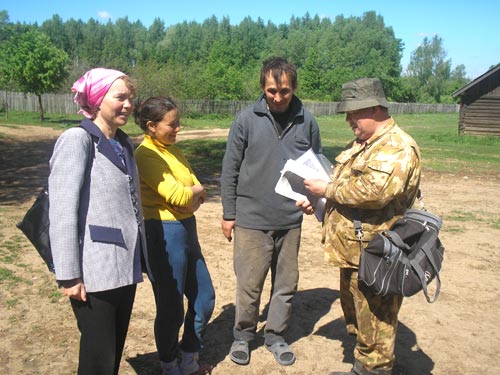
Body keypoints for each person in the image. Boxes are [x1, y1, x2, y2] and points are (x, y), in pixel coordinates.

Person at [302, 77, 421, 375]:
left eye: (353, 112)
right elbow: (344, 186)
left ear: (374, 108)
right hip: (356, 252)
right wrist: (319, 201)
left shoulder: (397, 147)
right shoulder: (364, 144)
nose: (348, 119)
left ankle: (373, 370)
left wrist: (326, 191)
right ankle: (362, 368)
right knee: (360, 319)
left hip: (379, 254)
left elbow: (375, 191)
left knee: (377, 323)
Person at [48, 68, 153, 375]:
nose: (128, 104)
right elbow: (62, 211)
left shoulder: (123, 143)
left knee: (112, 353)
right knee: (98, 359)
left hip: (124, 265)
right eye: (120, 97)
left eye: (130, 98)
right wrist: (69, 274)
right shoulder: (77, 140)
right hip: (94, 271)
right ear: (96, 99)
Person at [220, 57, 322, 366]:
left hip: (290, 221)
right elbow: (230, 168)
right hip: (251, 219)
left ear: (295, 88)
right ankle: (243, 336)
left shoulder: (308, 121)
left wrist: (313, 201)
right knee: (249, 284)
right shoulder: (246, 119)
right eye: (271, 91)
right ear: (263, 87)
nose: (277, 98)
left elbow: (317, 168)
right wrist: (228, 213)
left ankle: (276, 336)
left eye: (285, 91)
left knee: (286, 284)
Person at [134, 96, 215, 375]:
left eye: (178, 122)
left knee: (205, 297)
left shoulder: (173, 150)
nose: (178, 129)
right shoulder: (146, 155)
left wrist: (191, 195)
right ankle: (169, 363)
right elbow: (182, 195)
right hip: (164, 233)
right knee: (171, 308)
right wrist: (191, 195)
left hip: (186, 229)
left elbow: (196, 188)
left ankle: (189, 354)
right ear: (151, 126)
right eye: (172, 124)